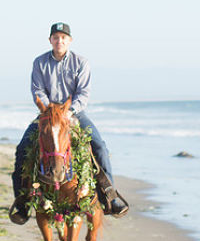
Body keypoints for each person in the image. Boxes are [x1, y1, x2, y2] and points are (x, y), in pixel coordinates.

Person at [9, 22, 129, 224]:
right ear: (50, 40)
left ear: (70, 41)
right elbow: (37, 90)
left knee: (99, 145)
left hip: (74, 112)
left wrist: (68, 112)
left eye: (63, 37)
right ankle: (21, 200)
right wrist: (52, 111)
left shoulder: (81, 62)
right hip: (48, 114)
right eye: (55, 37)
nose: (59, 41)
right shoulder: (39, 62)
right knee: (22, 148)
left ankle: (110, 195)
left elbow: (83, 93)